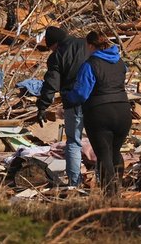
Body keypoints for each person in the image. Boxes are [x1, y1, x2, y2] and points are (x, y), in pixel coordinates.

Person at [65, 30, 131, 195]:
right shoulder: (120, 62)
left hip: (100, 112)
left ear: (90, 45)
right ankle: (118, 188)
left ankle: (110, 195)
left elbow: (81, 93)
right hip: (123, 111)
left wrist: (67, 98)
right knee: (115, 151)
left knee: (104, 154)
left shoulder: (90, 64)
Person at [36, 26, 90, 186]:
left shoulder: (56, 56)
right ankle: (105, 182)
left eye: (50, 47)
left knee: (74, 142)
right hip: (95, 100)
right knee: (99, 139)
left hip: (73, 102)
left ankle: (74, 183)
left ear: (55, 44)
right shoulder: (85, 44)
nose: (50, 50)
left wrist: (42, 106)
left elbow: (51, 84)